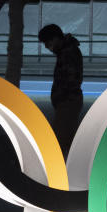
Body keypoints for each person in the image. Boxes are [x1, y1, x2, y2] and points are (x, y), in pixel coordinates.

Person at [38, 23, 83, 157]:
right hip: (68, 101)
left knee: (59, 140)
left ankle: (61, 173)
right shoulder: (67, 51)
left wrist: (60, 96)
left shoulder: (67, 53)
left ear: (56, 38)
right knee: (67, 139)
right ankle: (70, 170)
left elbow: (70, 79)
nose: (47, 46)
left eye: (48, 42)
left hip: (67, 101)